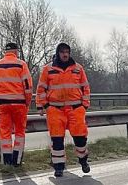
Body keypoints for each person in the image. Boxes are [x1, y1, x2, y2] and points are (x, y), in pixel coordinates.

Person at [37, 43, 91, 178]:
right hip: (55, 109)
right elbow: (41, 89)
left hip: (75, 109)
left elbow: (85, 87)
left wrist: (84, 105)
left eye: (67, 52)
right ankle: (59, 166)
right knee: (57, 139)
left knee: (80, 138)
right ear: (58, 53)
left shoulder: (78, 68)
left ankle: (83, 160)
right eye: (62, 52)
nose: (65, 54)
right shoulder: (48, 69)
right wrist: (43, 105)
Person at [0, 42, 33, 166]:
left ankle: (6, 161)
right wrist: (27, 102)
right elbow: (28, 86)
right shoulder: (21, 64)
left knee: (4, 132)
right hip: (19, 103)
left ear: (5, 52)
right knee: (19, 131)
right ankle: (17, 160)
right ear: (16, 51)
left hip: (2, 104)